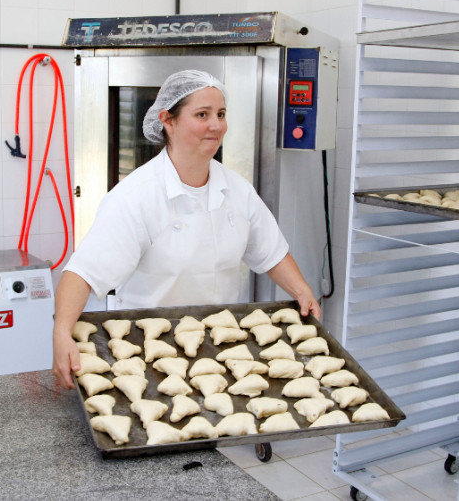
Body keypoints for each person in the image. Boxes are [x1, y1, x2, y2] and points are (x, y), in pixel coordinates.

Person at [52, 70, 321, 388]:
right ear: (168, 120)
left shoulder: (237, 189)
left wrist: (302, 292)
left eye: (221, 114)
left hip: (219, 346)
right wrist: (61, 332)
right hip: (146, 350)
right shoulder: (136, 196)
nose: (216, 125)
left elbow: (271, 252)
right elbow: (84, 273)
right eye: (202, 114)